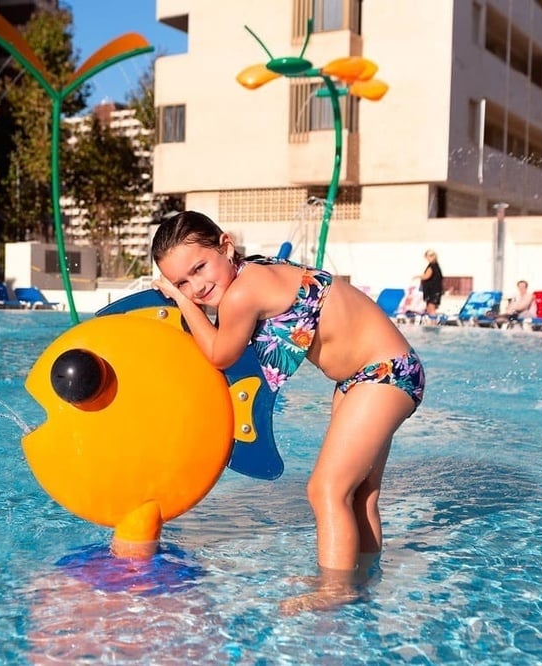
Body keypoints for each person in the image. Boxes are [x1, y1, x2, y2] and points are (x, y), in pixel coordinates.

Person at [150, 211, 425, 614]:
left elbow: (220, 354)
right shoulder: (255, 271)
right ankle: (360, 581)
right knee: (360, 494)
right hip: (366, 377)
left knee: (326, 490)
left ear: (225, 245)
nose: (197, 286)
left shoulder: (245, 292)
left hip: (383, 374)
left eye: (199, 268)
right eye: (182, 283)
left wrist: (177, 302)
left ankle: (335, 592)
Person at [415, 250, 444, 319]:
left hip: (433, 291)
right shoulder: (435, 266)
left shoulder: (432, 266)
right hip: (432, 291)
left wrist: (417, 277)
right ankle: (431, 323)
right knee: (429, 308)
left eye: (429, 256)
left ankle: (433, 324)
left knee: (431, 308)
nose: (428, 258)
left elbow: (426, 276)